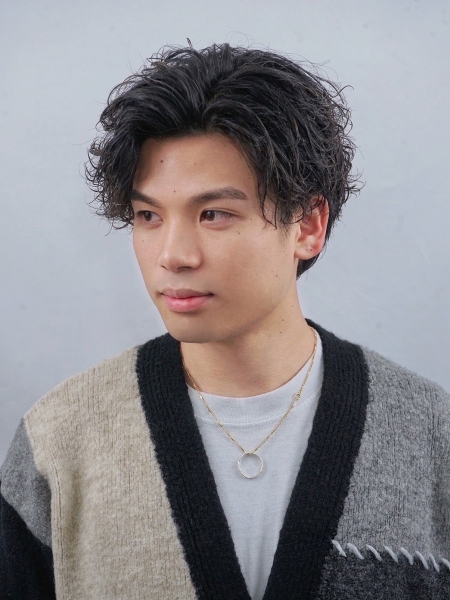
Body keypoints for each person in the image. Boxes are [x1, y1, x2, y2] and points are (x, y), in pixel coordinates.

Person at [1, 43, 449, 600]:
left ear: (308, 225)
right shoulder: (57, 442)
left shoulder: (432, 436)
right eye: (148, 215)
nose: (173, 255)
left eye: (214, 214)